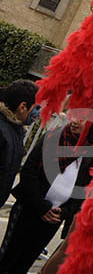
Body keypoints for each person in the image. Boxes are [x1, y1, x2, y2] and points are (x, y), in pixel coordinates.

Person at [0, 118, 93, 274]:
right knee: (9, 258)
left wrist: (64, 212)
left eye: (83, 119)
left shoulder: (90, 156)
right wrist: (42, 207)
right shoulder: (53, 139)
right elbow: (29, 173)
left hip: (53, 219)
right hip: (29, 209)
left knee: (25, 261)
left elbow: (82, 193)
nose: (75, 121)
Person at [0, 79, 38, 208]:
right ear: (23, 107)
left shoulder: (15, 131)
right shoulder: (3, 132)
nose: (39, 114)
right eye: (37, 108)